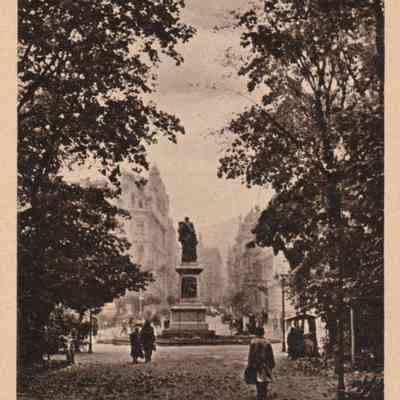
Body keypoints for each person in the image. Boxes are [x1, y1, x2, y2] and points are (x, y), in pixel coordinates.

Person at [247, 326, 275, 400]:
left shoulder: (253, 342)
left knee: (257, 378)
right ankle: (264, 393)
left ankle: (259, 394)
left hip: (256, 363)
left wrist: (250, 363)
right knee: (265, 378)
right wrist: (272, 363)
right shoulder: (267, 342)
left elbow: (251, 354)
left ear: (256, 333)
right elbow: (270, 354)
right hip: (265, 363)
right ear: (263, 333)